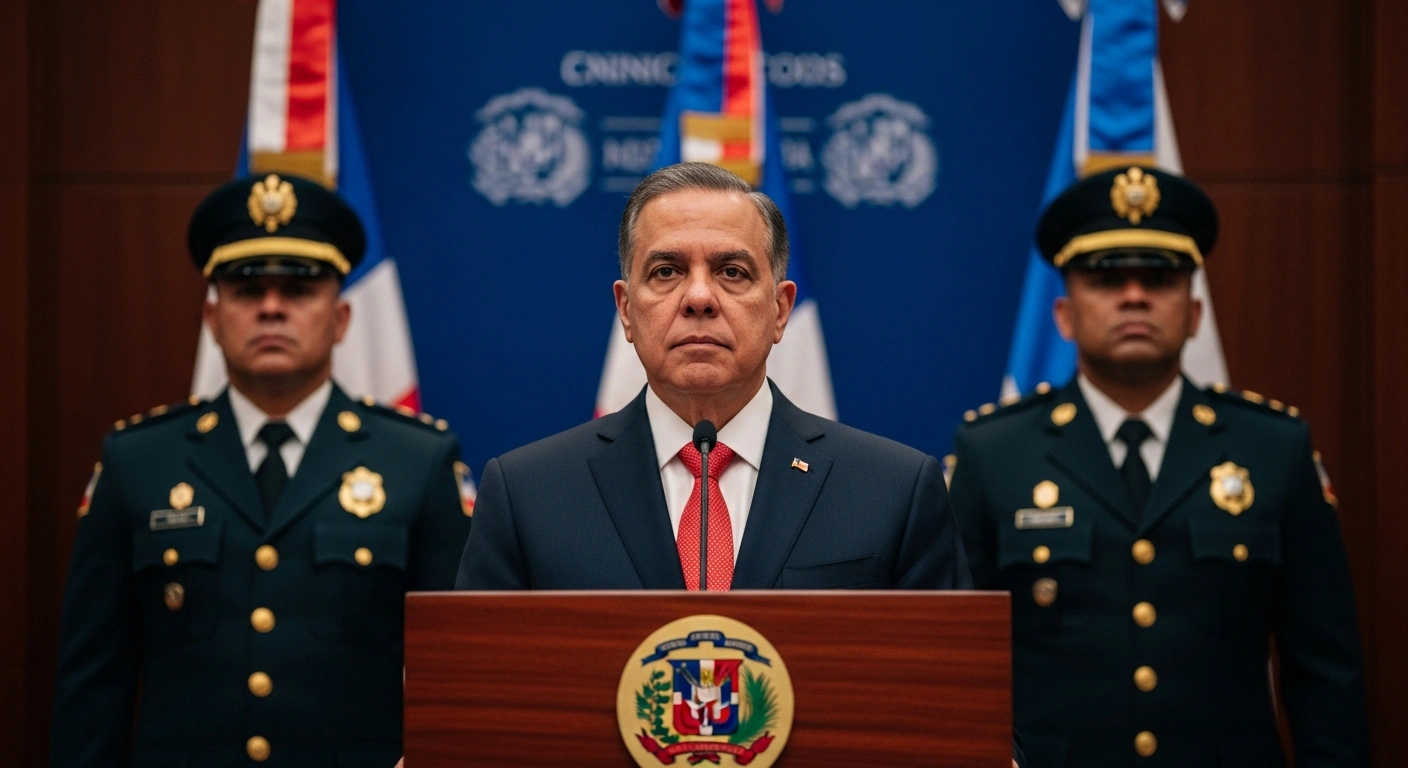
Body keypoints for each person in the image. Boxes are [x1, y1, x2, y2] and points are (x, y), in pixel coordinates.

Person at [948, 166, 1369, 766]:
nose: (1134, 296)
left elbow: (1324, 672)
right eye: (1106, 279)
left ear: (1194, 313)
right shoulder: (994, 452)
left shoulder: (1274, 449)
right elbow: (959, 666)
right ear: (1064, 314)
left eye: (1160, 279)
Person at [52, 173, 474, 767]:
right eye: (248, 290)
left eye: (297, 290)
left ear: (341, 318)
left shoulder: (419, 461)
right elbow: (93, 686)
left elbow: (456, 677)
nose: (271, 308)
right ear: (213, 317)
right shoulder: (137, 461)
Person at [457, 161, 969, 592]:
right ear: (626, 310)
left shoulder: (893, 491)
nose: (699, 298)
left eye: (732, 272)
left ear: (780, 309)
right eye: (666, 271)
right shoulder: (527, 496)